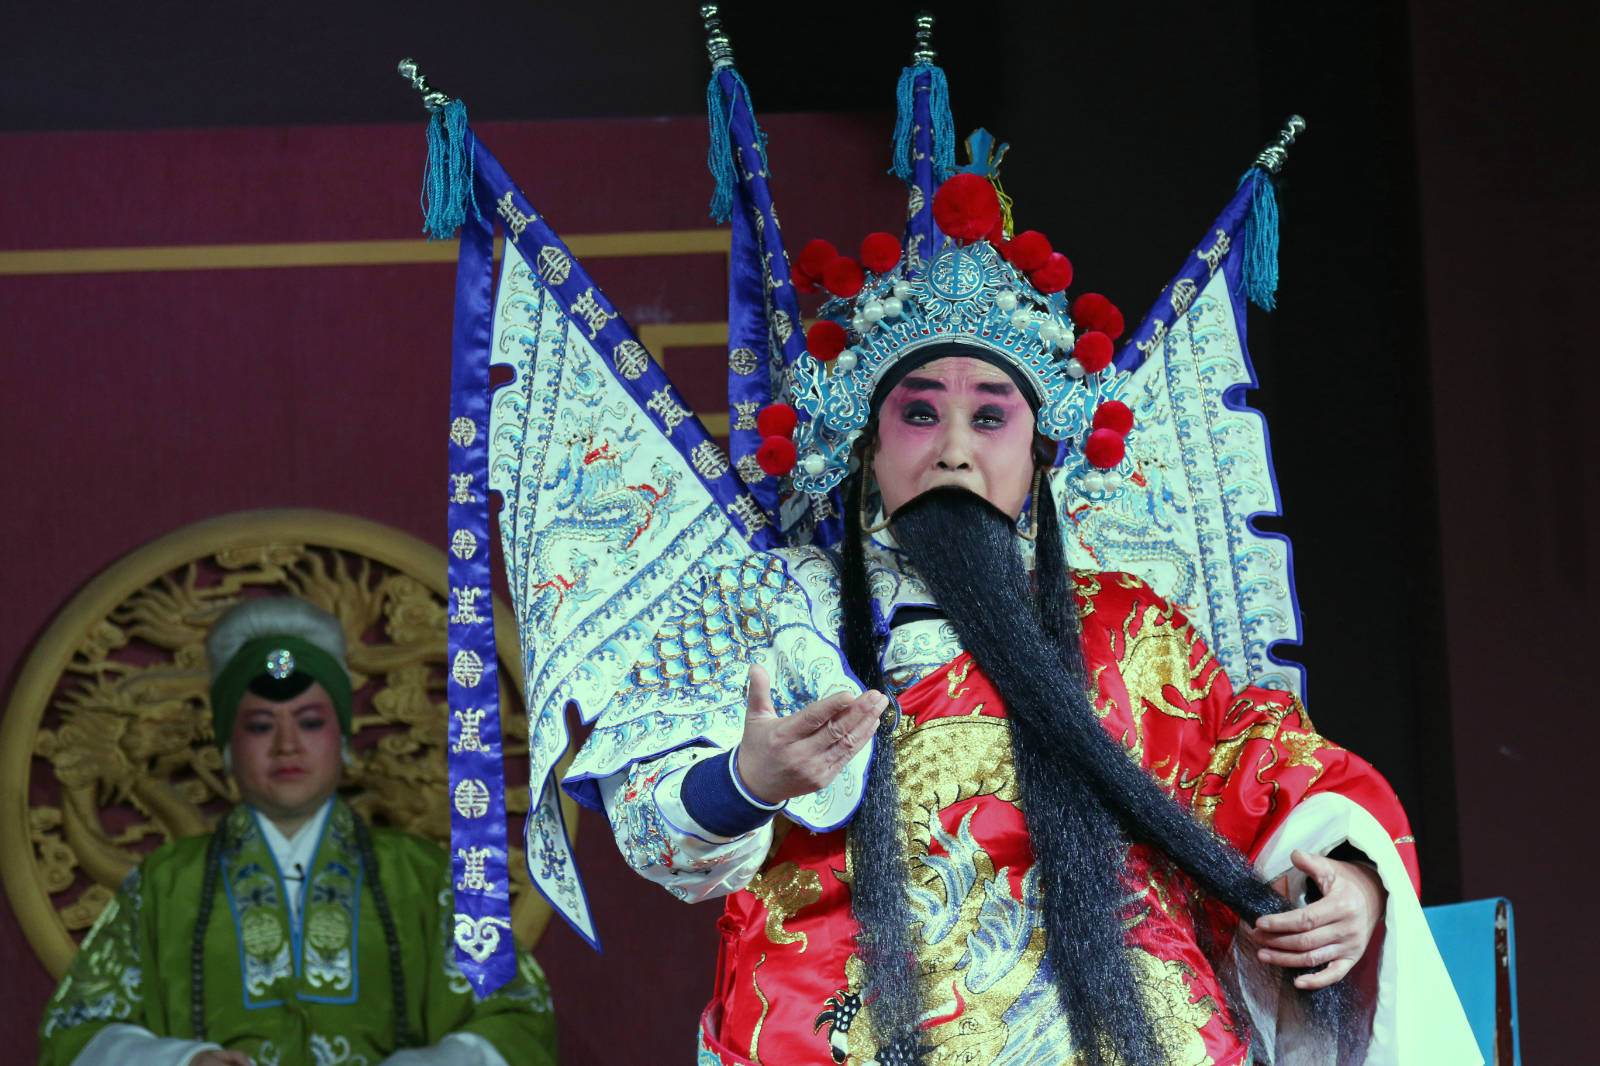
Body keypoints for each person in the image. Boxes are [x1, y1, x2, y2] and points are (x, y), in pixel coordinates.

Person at [561, 174, 1478, 1064]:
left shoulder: (1126, 629)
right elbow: (649, 828)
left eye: (991, 418)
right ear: (868, 445)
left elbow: (1271, 774)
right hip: (834, 1030)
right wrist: (747, 780)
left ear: (1039, 454)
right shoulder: (761, 606)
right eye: (920, 413)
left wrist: (1353, 887)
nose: (955, 450)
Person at [39, 597, 558, 1066]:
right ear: (226, 748)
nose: (287, 744)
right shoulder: (165, 885)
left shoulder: (421, 877)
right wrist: (181, 1062)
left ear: (343, 740)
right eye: (261, 726)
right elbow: (74, 1033)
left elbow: (518, 1020)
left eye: (309, 722)